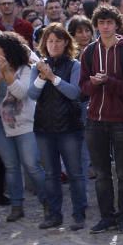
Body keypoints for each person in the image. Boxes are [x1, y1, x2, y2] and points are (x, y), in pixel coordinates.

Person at [79, 5, 123, 234]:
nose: (105, 27)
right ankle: (107, 216)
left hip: (121, 119)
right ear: (96, 25)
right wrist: (93, 84)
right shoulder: (89, 52)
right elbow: (82, 88)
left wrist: (108, 82)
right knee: (102, 174)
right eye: (101, 23)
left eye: (109, 22)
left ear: (116, 24)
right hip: (95, 119)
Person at [28, 24, 86, 230]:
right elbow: (32, 95)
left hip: (69, 127)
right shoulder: (38, 67)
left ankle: (79, 214)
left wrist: (52, 77)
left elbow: (74, 92)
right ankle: (54, 214)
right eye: (50, 41)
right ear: (45, 44)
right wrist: (42, 78)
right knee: (51, 174)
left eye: (58, 41)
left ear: (66, 43)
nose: (54, 44)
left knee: (75, 173)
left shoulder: (74, 65)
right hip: (44, 128)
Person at [0, 32, 47, 224]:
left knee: (32, 165)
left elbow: (22, 93)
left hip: (24, 123)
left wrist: (8, 75)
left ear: (7, 49)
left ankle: (48, 201)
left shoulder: (27, 68)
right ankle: (16, 205)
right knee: (11, 167)